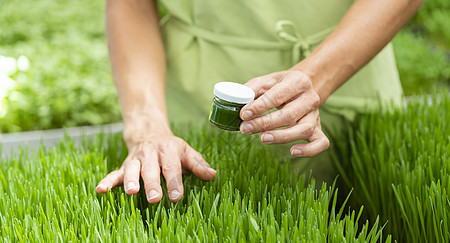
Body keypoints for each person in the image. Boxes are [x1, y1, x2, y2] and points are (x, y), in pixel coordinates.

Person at [96, 0, 423, 203]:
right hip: (189, 103)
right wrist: (147, 125)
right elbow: (131, 4)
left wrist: (318, 78)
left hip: (346, 70)